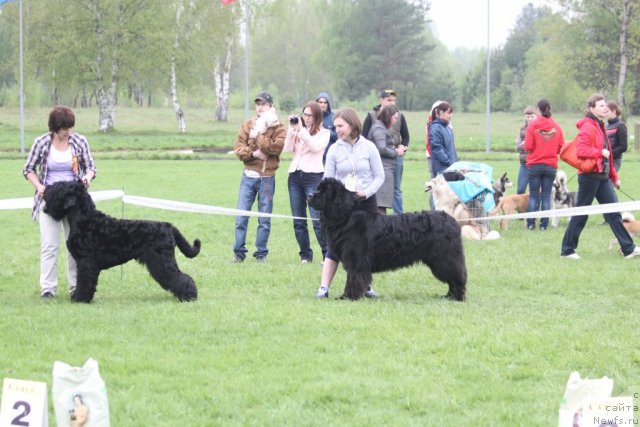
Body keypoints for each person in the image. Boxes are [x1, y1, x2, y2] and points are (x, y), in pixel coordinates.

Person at [22, 106, 96, 299]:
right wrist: (39, 186)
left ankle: (76, 288)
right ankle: (48, 288)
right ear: (55, 127)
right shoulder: (41, 143)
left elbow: (91, 168)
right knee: (49, 245)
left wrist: (87, 178)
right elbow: (28, 169)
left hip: (75, 203)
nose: (68, 132)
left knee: (76, 246)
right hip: (51, 201)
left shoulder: (80, 141)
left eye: (71, 128)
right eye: (65, 128)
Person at [315, 108, 385, 299]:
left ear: (353, 125)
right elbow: (327, 179)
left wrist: (366, 192)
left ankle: (365, 286)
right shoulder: (334, 150)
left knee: (367, 246)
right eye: (335, 126)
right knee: (336, 246)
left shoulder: (369, 147)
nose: (337, 130)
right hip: (341, 207)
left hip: (366, 202)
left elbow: (379, 176)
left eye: (341, 126)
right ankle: (324, 287)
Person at [561, 94, 640, 259]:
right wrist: (599, 152)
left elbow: (608, 156)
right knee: (581, 214)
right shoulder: (588, 126)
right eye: (601, 105)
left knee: (613, 213)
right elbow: (581, 151)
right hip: (589, 177)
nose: (605, 108)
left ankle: (629, 249)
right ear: (592, 109)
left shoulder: (600, 125)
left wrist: (614, 177)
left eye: (605, 105)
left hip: (603, 177)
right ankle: (567, 251)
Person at [232, 91, 286, 263]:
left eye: (263, 104)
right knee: (241, 216)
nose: (260, 107)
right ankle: (238, 253)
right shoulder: (247, 125)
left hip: (267, 179)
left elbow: (274, 149)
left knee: (264, 219)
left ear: (271, 106)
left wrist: (259, 136)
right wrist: (253, 153)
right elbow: (238, 149)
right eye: (258, 104)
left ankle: (261, 254)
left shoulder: (279, 128)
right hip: (248, 177)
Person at [283, 101, 329, 264]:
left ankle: (327, 254)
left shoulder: (324, 133)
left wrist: (301, 131)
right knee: (298, 219)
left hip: (313, 176)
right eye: (304, 114)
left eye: (309, 115)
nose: (306, 118)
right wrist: (291, 130)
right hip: (295, 175)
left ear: (316, 116)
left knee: (317, 218)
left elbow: (316, 147)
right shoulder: (299, 131)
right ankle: (305, 255)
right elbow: (287, 149)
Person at [362, 89, 410, 214]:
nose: (392, 103)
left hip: (396, 156)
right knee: (379, 190)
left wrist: (403, 148)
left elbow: (405, 135)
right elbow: (364, 137)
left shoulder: (399, 115)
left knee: (396, 190)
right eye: (389, 100)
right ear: (381, 100)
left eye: (394, 100)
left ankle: (398, 216)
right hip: (380, 159)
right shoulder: (371, 116)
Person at [523, 99, 564, 231]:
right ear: (549, 108)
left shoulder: (533, 126)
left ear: (538, 110)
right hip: (550, 165)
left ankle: (530, 224)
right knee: (546, 195)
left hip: (534, 164)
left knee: (534, 195)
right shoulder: (556, 127)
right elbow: (561, 146)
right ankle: (544, 225)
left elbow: (528, 146)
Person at [368, 105, 405, 214]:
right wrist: (397, 152)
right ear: (388, 116)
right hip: (382, 170)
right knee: (379, 207)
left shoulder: (380, 127)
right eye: (395, 117)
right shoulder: (379, 128)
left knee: (381, 206)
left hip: (385, 170)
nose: (396, 120)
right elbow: (382, 149)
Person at [428, 101, 458, 209]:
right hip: (442, 168)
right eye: (448, 113)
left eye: (451, 113)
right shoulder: (435, 127)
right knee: (442, 198)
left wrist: (456, 163)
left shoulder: (447, 127)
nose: (451, 115)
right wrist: (448, 161)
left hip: (451, 167)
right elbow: (436, 148)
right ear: (440, 112)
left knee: (450, 197)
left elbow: (451, 148)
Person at [516, 106, 537, 194]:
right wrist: (525, 145)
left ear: (536, 116)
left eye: (532, 116)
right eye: (528, 117)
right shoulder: (522, 130)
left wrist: (526, 144)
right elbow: (518, 146)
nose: (530, 119)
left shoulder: (539, 128)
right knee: (520, 189)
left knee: (534, 191)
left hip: (536, 164)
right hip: (524, 164)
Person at [606, 101, 627, 172]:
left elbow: (623, 147)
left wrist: (610, 154)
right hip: (605, 159)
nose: (605, 114)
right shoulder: (606, 126)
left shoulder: (621, 126)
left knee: (609, 181)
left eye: (607, 111)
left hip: (615, 160)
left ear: (614, 111)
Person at [316, 92, 338, 164]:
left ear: (328, 104)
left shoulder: (334, 117)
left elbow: (337, 137)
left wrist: (324, 130)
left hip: (328, 158)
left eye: (325, 103)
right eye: (320, 102)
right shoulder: (311, 117)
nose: (322, 104)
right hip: (313, 158)